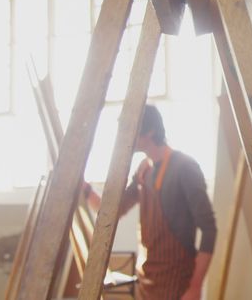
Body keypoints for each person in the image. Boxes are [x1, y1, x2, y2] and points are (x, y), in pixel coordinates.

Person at [85, 104, 216, 300]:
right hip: (147, 281)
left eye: (131, 129)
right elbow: (113, 211)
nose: (126, 136)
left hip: (177, 284)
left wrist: (195, 287)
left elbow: (209, 230)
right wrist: (85, 190)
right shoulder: (143, 169)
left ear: (150, 131)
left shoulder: (185, 167)